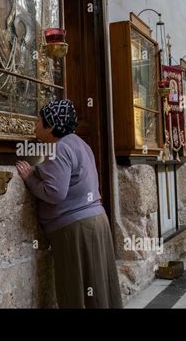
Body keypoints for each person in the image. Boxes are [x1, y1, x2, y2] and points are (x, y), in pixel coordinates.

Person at [16, 99, 123, 309]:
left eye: (39, 120)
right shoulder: (79, 143)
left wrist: (30, 177)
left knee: (77, 288)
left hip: (75, 229)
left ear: (52, 126)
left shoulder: (60, 148)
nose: (35, 125)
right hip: (94, 222)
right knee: (98, 285)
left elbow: (55, 193)